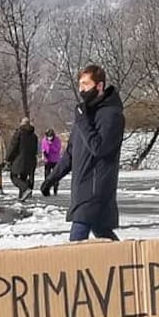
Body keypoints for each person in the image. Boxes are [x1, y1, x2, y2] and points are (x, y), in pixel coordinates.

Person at [41, 64, 125, 240]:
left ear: (99, 86)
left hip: (97, 188)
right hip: (82, 187)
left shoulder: (111, 114)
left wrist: (82, 120)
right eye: (80, 85)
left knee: (76, 241)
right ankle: (127, 255)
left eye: (86, 84)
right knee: (102, 233)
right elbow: (70, 154)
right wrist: (51, 179)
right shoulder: (85, 115)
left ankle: (129, 254)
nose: (81, 90)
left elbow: (99, 148)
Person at [6, 116, 38, 200]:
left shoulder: (19, 133)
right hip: (30, 160)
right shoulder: (34, 136)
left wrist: (8, 158)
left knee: (13, 176)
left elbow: (13, 147)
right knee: (23, 177)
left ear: (21, 123)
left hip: (20, 159)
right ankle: (22, 196)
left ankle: (26, 189)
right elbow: (35, 150)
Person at [40, 128, 62, 194]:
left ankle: (55, 187)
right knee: (47, 175)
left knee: (55, 175)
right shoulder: (44, 140)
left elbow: (57, 149)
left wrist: (51, 145)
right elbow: (43, 148)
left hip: (55, 159)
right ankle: (47, 189)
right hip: (47, 160)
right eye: (48, 136)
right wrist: (44, 153)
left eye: (50, 136)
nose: (49, 138)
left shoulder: (57, 140)